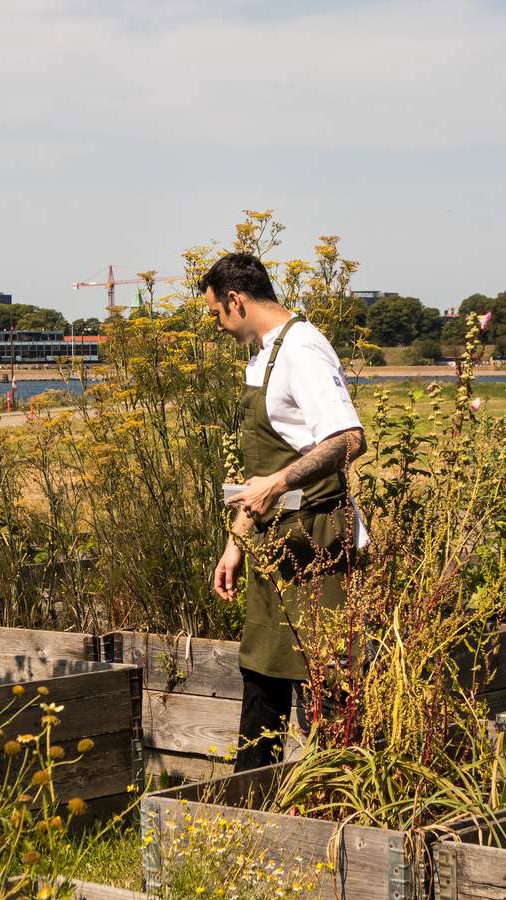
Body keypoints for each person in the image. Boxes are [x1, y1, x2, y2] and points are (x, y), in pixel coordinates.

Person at [204, 252, 369, 772]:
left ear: (236, 300)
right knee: (263, 671)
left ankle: (344, 799)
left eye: (215, 312)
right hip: (273, 542)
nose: (216, 324)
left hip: (318, 542)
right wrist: (235, 542)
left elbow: (349, 439)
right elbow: (260, 476)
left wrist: (278, 482)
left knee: (330, 681)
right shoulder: (261, 355)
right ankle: (252, 800)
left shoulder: (302, 348)